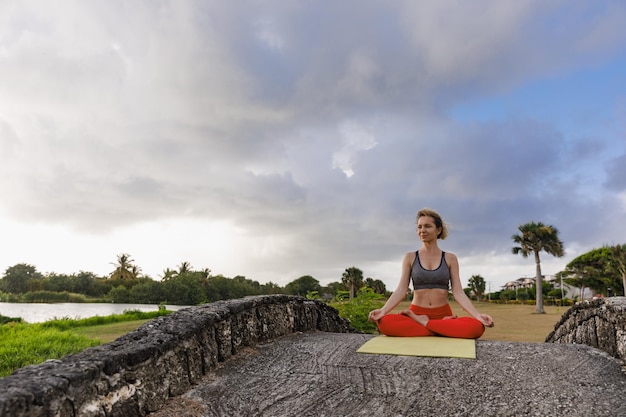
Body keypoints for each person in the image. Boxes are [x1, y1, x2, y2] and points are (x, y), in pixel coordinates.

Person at [368, 208, 494, 338]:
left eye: (427, 226)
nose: (422, 230)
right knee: (384, 323)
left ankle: (426, 324)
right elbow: (401, 289)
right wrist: (383, 311)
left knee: (476, 328)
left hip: (443, 315)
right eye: (419, 227)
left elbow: (458, 292)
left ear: (438, 230)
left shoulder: (450, 258)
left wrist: (477, 315)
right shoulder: (410, 257)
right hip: (416, 313)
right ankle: (440, 329)